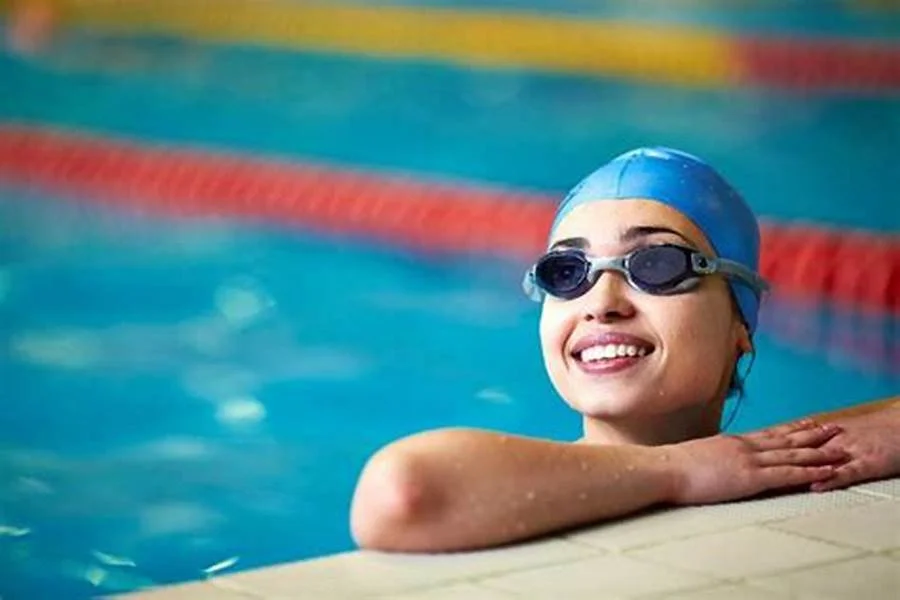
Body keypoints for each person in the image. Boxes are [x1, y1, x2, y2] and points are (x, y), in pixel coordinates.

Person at [350, 147, 899, 553]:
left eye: (656, 265)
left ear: (741, 324)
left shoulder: (783, 467)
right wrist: (678, 471)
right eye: (567, 272)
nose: (601, 302)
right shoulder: (503, 490)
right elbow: (404, 490)